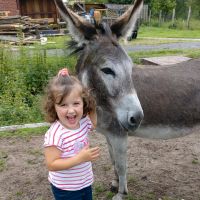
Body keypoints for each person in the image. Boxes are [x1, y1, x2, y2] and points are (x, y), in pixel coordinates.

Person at [43, 68, 100, 200]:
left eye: (76, 103)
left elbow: (94, 123)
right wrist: (80, 158)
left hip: (85, 183)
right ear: (53, 107)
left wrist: (92, 107)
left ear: (83, 103)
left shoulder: (83, 122)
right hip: (66, 189)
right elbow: (51, 164)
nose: (71, 110)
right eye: (63, 105)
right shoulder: (55, 134)